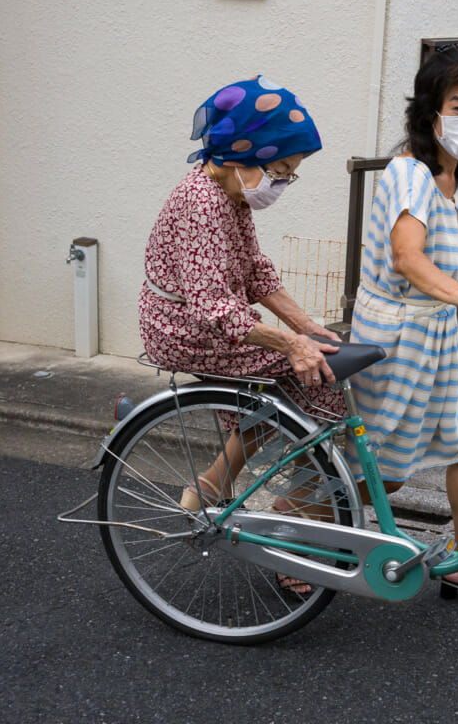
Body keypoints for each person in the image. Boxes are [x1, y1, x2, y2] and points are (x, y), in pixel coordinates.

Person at [139, 76, 341, 595]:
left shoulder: (230, 196)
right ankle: (295, 537)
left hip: (206, 320)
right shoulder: (202, 203)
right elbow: (212, 307)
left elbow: (254, 272)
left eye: (288, 176)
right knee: (318, 383)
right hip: (183, 328)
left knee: (302, 374)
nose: (281, 183)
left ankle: (212, 484)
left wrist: (305, 325)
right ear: (241, 156)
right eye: (281, 171)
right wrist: (294, 344)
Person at [350, 46, 458, 609]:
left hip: (437, 334)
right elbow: (407, 256)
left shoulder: (453, 175)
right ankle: (293, 521)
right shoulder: (409, 173)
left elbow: (434, 246)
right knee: (385, 470)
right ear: (432, 112)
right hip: (395, 338)